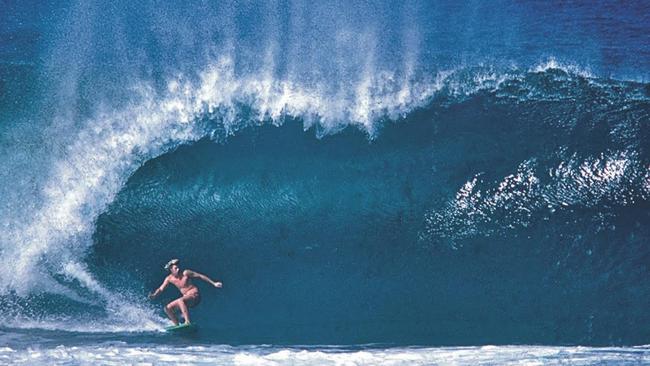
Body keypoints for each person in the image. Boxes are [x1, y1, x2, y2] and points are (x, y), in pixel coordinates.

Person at [148, 258, 223, 325]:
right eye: (176, 268)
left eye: (178, 267)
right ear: (171, 269)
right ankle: (176, 324)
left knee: (180, 300)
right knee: (167, 308)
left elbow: (200, 276)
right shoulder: (169, 278)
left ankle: (187, 322)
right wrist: (154, 295)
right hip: (186, 298)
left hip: (195, 296)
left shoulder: (186, 273)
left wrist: (214, 283)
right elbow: (161, 289)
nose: (178, 269)